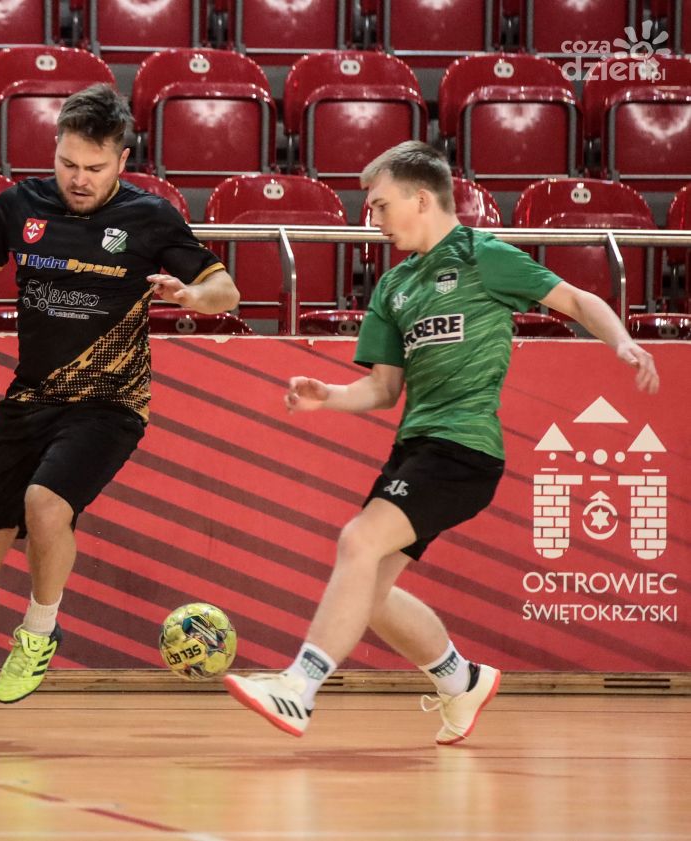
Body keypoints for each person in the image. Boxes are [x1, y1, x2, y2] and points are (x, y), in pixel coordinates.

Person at [224, 141, 660, 743]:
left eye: (381, 205)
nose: (372, 219)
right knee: (370, 592)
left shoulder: (483, 256)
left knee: (357, 542)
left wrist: (622, 341)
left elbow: (576, 300)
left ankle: (300, 686)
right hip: (415, 449)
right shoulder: (393, 287)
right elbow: (383, 390)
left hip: (465, 449)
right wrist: (328, 395)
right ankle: (462, 680)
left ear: (422, 199)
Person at [0, 84, 240, 736]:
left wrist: (193, 295)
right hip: (29, 398)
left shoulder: (150, 217)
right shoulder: (20, 204)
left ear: (123, 160)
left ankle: (40, 628)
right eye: (68, 163)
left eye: (95, 167)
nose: (79, 179)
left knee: (45, 503)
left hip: (111, 402)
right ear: (54, 150)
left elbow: (226, 288)